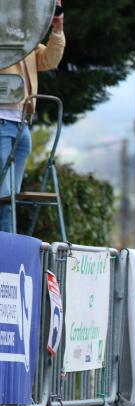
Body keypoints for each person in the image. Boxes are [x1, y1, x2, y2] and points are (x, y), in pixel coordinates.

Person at [0, 0, 65, 232]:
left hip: (21, 124)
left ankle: (7, 248)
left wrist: (56, 29)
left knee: (11, 198)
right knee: (5, 196)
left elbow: (49, 60)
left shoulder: (27, 38)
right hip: (1, 121)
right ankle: (7, 252)